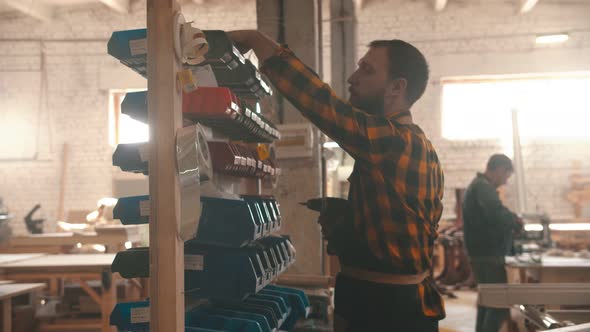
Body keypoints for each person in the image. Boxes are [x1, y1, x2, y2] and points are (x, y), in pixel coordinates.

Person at [229, 30, 445, 331]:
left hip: (387, 309)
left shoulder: (397, 142)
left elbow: (323, 105)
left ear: (397, 87)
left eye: (367, 70)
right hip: (380, 300)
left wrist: (255, 40)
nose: (353, 78)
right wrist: (350, 221)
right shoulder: (414, 145)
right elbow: (408, 224)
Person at [462, 154, 523, 332]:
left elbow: (496, 211)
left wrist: (510, 217)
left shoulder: (480, 186)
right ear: (498, 169)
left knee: (486, 302)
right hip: (488, 254)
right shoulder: (483, 187)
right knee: (498, 305)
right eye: (506, 176)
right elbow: (497, 215)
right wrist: (515, 221)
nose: (505, 181)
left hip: (482, 253)